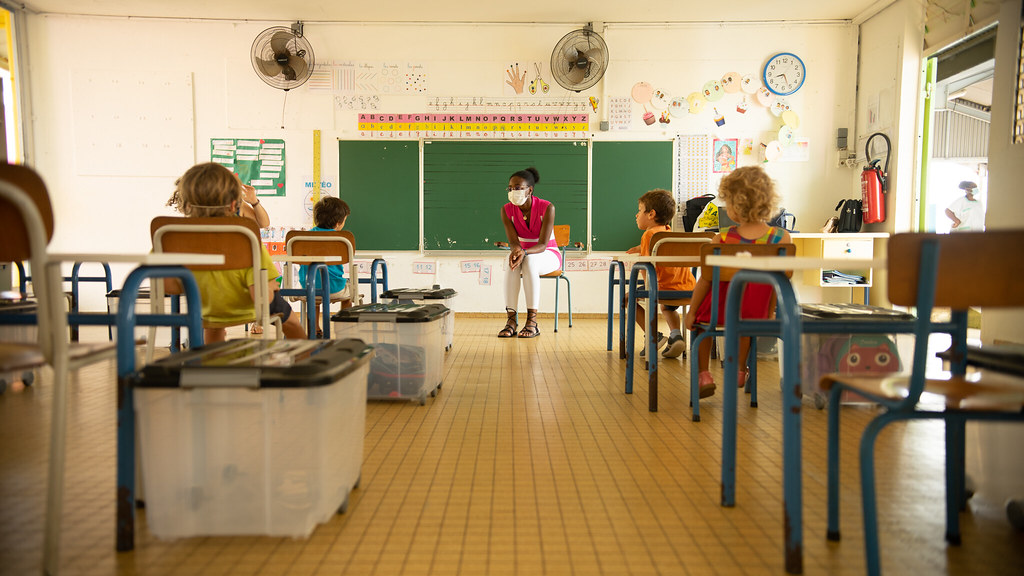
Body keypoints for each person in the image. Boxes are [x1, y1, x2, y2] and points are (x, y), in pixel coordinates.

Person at [684, 166, 791, 399]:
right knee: (745, 325)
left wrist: (692, 311)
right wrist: (771, 311)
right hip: (758, 312)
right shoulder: (780, 238)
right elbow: (782, 278)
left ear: (733, 206)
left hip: (719, 312)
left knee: (701, 327)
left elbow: (705, 279)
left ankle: (704, 374)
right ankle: (739, 369)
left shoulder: (722, 239)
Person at [171, 162, 306, 343]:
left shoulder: (173, 235)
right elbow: (264, 293)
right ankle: (304, 360)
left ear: (184, 203)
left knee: (213, 325)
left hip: (206, 306)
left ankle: (212, 361)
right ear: (234, 204)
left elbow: (168, 285)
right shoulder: (245, 237)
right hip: (249, 304)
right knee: (293, 324)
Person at [625, 189, 694, 358]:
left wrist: (647, 289)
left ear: (651, 214)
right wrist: (640, 248)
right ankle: (676, 335)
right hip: (687, 287)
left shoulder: (648, 234)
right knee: (667, 306)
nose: (636, 215)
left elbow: (645, 265)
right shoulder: (668, 232)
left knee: (627, 298)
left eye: (640, 210)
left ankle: (653, 335)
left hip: (663, 287)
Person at [498, 166, 559, 338]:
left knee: (530, 261)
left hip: (548, 254)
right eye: (510, 188)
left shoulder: (547, 207)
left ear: (530, 190)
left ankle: (532, 322)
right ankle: (511, 321)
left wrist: (523, 252)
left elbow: (543, 244)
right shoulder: (506, 210)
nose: (513, 191)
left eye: (518, 188)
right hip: (525, 253)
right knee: (510, 262)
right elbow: (513, 242)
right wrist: (517, 251)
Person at [298, 196, 351, 336]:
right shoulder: (341, 240)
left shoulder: (302, 238)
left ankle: (314, 328)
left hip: (307, 288)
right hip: (334, 289)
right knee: (350, 293)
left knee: (314, 296)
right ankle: (344, 328)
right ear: (339, 223)